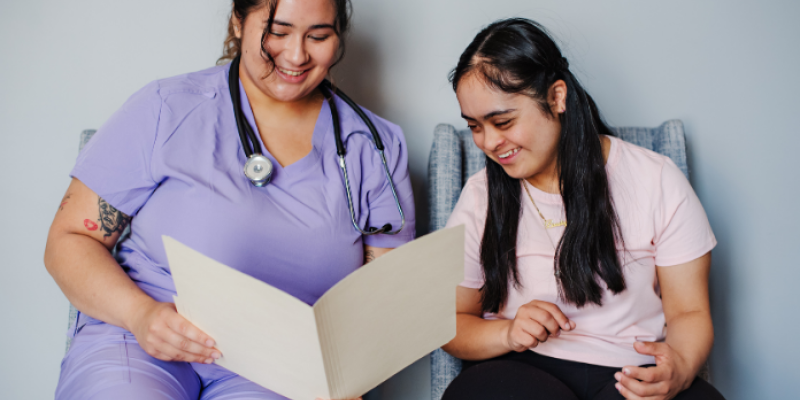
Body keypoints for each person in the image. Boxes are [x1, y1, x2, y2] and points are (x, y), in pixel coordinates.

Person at [44, 0, 415, 398]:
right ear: (239, 23)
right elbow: (69, 241)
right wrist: (140, 315)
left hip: (281, 368)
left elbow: (380, 298)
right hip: (142, 339)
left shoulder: (374, 147)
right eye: (278, 31)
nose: (296, 55)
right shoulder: (166, 108)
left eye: (318, 36)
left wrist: (346, 378)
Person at [440, 19, 724, 400]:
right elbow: (451, 324)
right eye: (475, 126)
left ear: (556, 97)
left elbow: (689, 312)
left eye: (502, 121)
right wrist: (507, 332)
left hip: (628, 372)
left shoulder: (655, 179)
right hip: (520, 370)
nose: (489, 143)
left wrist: (681, 366)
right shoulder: (481, 196)